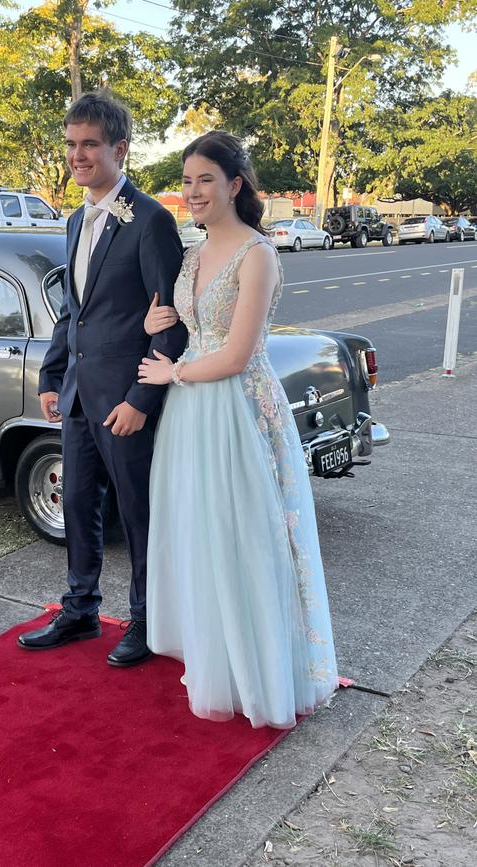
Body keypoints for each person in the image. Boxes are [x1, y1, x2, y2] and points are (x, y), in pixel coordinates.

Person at [138, 131, 338, 728]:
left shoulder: (258, 253)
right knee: (201, 530)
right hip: (192, 410)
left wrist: (174, 372)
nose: (193, 191)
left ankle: (263, 670)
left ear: (234, 184)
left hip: (238, 408)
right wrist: (160, 318)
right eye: (187, 180)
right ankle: (216, 655)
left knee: (246, 532)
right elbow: (190, 322)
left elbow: (240, 353)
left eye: (205, 179)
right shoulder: (194, 253)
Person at [18, 91, 187, 666]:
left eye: (89, 144)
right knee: (77, 503)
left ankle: (147, 620)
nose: (77, 155)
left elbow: (172, 321)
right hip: (78, 397)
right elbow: (74, 310)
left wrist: (143, 396)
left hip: (127, 401)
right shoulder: (73, 220)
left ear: (120, 148)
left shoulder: (152, 221)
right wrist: (50, 374)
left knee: (138, 512)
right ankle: (81, 609)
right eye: (71, 144)